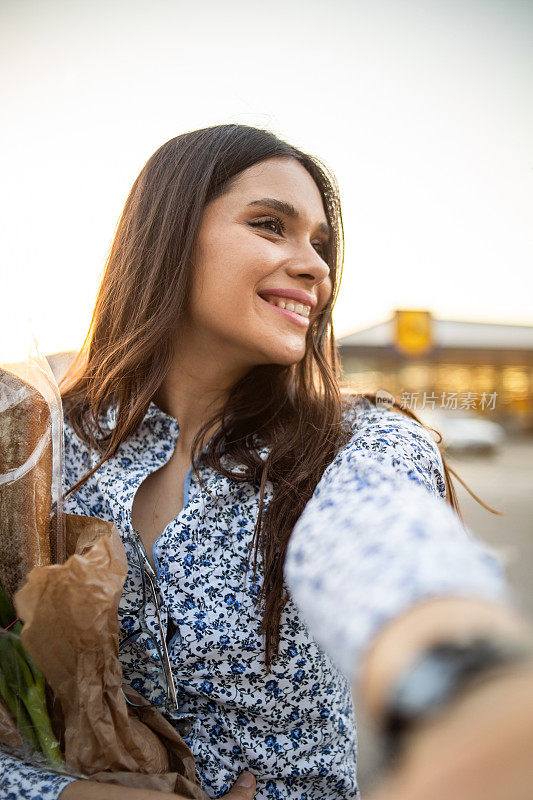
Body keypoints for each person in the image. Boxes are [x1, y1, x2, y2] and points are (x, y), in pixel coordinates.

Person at [1, 124, 532, 800]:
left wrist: (469, 693)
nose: (315, 266)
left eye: (320, 243)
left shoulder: (360, 443)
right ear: (165, 235)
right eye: (269, 224)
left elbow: (390, 554)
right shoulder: (37, 446)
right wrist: (69, 795)